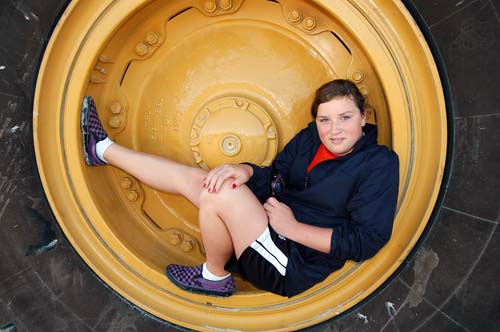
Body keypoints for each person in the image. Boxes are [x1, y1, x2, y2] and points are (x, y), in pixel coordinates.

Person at [80, 79, 399, 298]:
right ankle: (103, 149)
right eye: (324, 119)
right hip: (269, 225)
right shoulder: (310, 138)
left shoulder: (378, 164)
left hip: (292, 259)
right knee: (206, 180)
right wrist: (243, 169)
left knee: (219, 192)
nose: (334, 129)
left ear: (363, 116)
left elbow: (367, 241)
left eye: (345, 117)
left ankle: (214, 277)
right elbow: (277, 174)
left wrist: (293, 227)